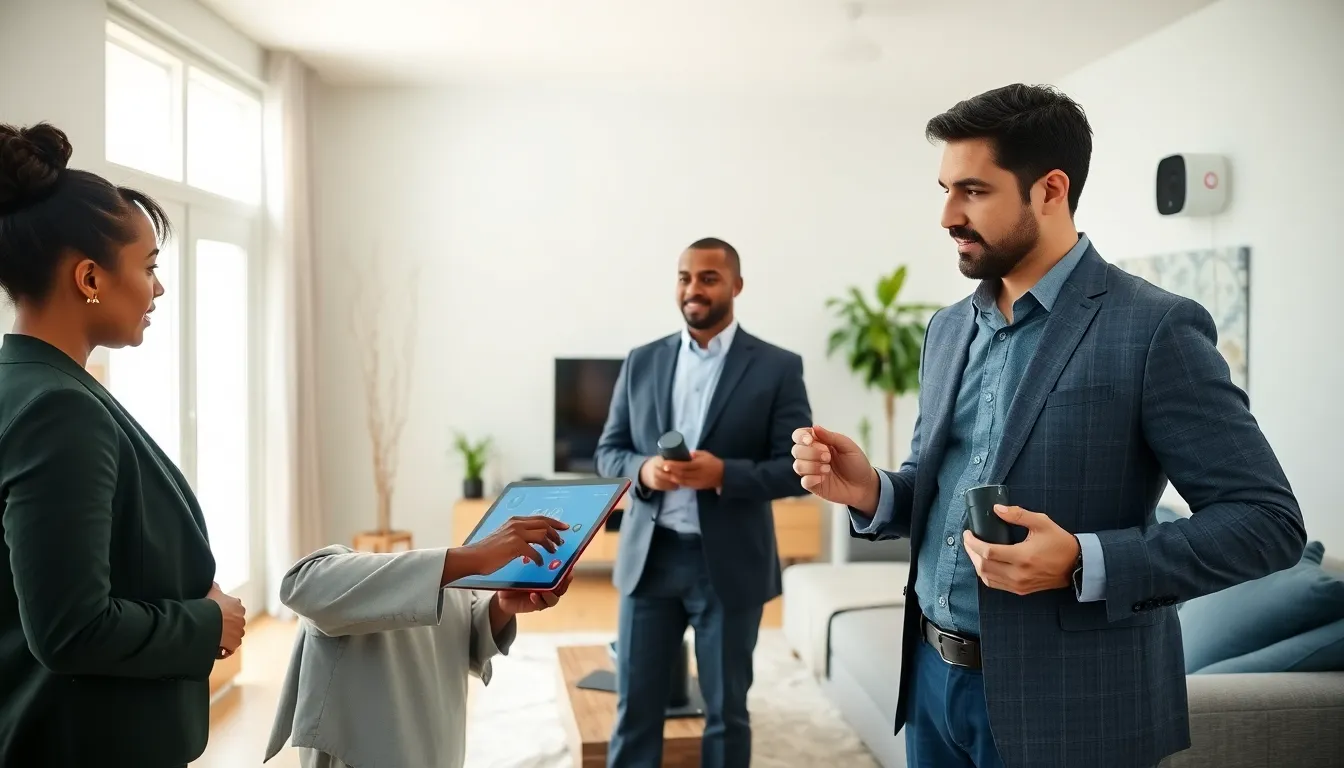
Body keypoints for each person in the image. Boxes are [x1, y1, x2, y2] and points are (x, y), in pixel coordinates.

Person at [790, 84, 1304, 768]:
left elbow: (1267, 523)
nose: (947, 215)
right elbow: (945, 492)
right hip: (934, 688)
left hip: (1074, 707)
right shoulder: (947, 330)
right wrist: (873, 492)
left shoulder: (1153, 329)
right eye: (944, 189)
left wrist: (1086, 560)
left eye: (972, 190)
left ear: (1050, 190)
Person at [0, 122, 248, 767]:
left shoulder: (28, 387)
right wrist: (207, 624)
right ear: (89, 276)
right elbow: (71, 629)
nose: (157, 289)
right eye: (149, 267)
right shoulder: (58, 410)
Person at [595, 237, 813, 768]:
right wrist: (644, 470)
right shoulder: (642, 361)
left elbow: (796, 469)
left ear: (736, 286)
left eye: (708, 278)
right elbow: (608, 453)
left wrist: (723, 474)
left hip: (729, 566)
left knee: (726, 714)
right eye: (685, 277)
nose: (694, 289)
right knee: (635, 709)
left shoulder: (778, 367)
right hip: (651, 559)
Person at [263, 514, 572, 768]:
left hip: (438, 749)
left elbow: (467, 635)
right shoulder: (328, 579)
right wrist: (474, 556)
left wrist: (501, 607)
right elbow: (299, 585)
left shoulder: (449, 590)